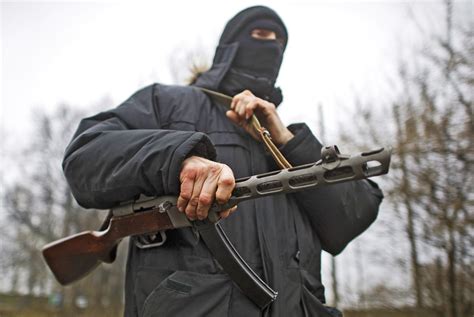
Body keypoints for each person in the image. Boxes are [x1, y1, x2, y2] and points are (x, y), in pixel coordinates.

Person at [62, 5, 383, 317]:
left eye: (280, 42)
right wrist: (178, 159)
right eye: (260, 34)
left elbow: (353, 218)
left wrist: (287, 141)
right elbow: (85, 155)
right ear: (230, 47)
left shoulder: (287, 144)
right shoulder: (170, 104)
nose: (271, 46)